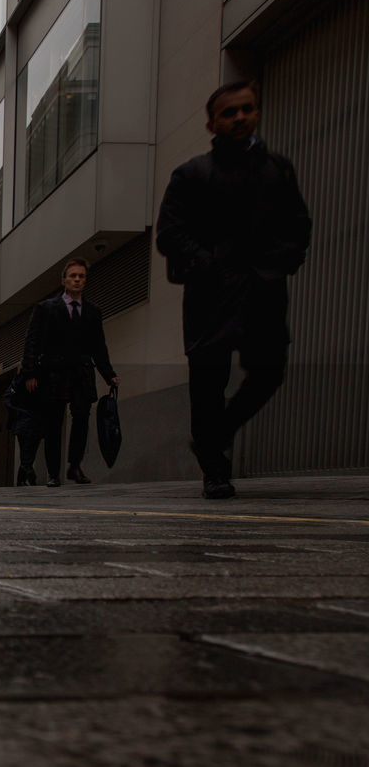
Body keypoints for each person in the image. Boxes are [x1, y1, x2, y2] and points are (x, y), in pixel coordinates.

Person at [155, 79, 311, 499]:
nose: (240, 117)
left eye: (246, 109)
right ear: (212, 124)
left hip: (263, 291)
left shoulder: (277, 169)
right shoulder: (192, 175)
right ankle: (215, 470)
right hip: (211, 296)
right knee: (208, 382)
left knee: (269, 370)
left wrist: (279, 264)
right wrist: (208, 265)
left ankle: (217, 434)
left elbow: (298, 226)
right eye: (229, 112)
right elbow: (169, 234)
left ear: (256, 112)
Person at [19, 259, 119, 487]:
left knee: (82, 417)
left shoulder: (93, 312)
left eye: (81, 276)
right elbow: (31, 342)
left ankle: (75, 465)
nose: (77, 280)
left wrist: (108, 373)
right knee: (53, 423)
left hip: (81, 372)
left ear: (85, 280)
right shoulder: (45, 308)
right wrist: (30, 373)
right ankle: (54, 472)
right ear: (64, 280)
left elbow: (99, 346)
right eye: (73, 276)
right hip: (52, 373)